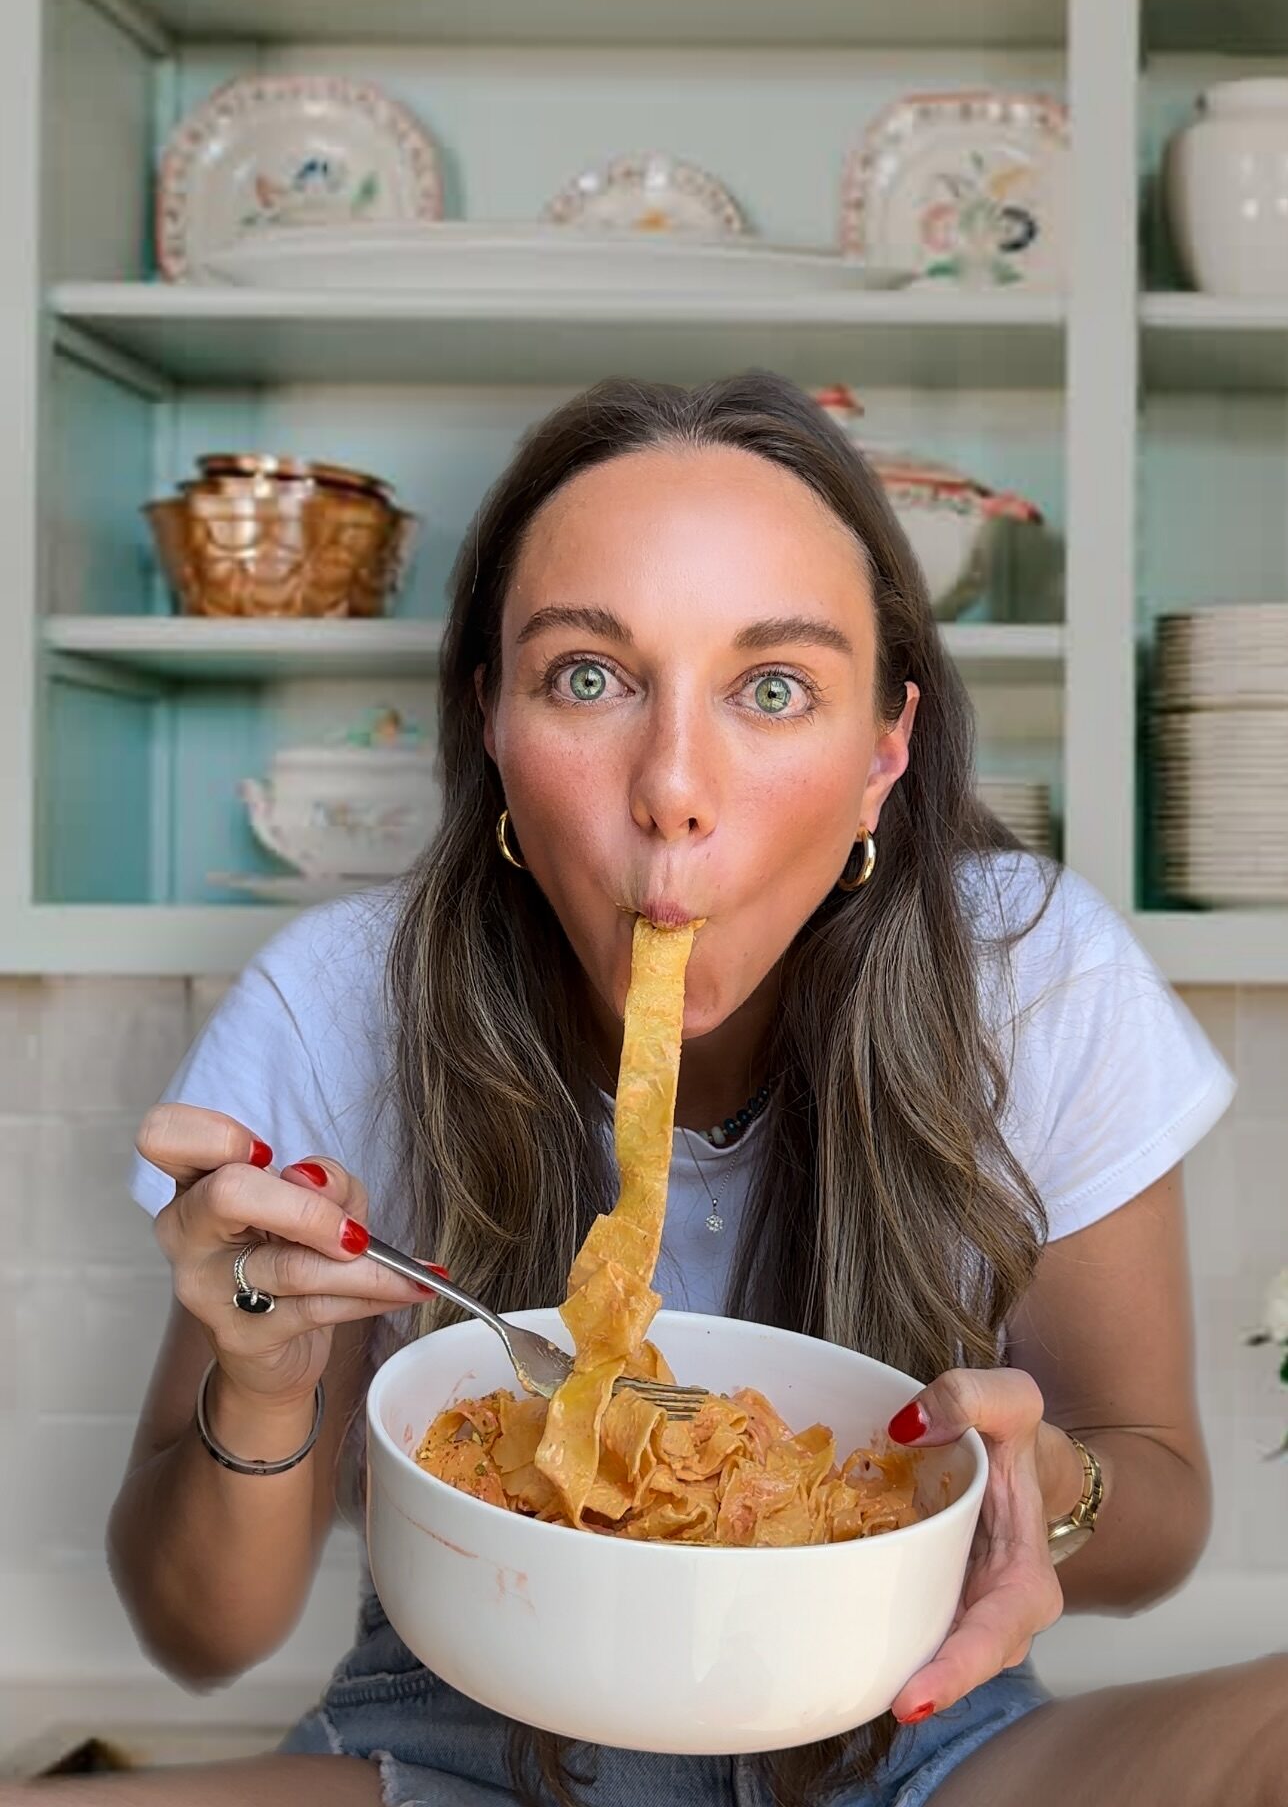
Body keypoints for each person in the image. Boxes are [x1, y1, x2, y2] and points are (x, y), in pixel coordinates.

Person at [15, 372, 1285, 1807]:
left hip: (915, 1744)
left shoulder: (1033, 976)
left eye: (774, 688)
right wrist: (262, 1379)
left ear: (884, 753)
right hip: (457, 1754)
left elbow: (1159, 1503)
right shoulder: (337, 1006)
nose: (673, 787)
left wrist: (1049, 1492)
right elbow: (201, 1629)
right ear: (490, 719)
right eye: (589, 678)